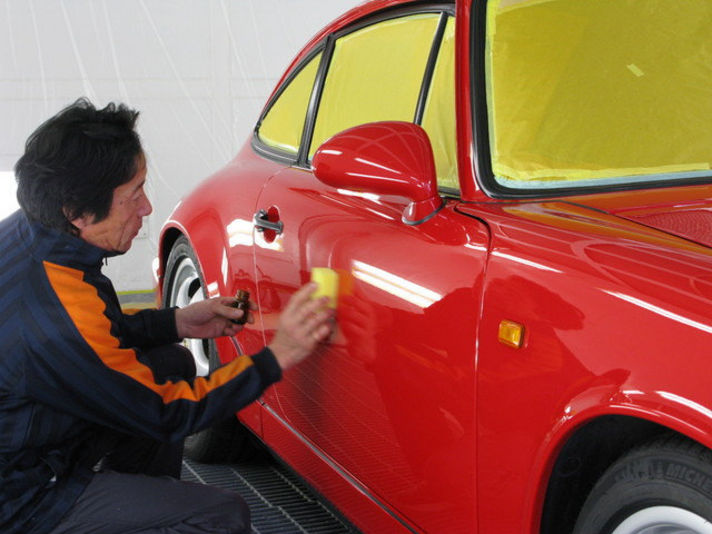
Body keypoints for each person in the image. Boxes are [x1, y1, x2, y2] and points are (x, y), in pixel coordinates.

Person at [0, 98, 335, 534]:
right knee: (220, 514)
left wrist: (176, 321)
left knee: (171, 361)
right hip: (24, 498)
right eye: (133, 194)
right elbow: (168, 412)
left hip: (33, 432)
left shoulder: (31, 233)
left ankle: (144, 509)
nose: (146, 208)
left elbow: (89, 342)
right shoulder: (54, 310)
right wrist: (277, 357)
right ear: (77, 213)